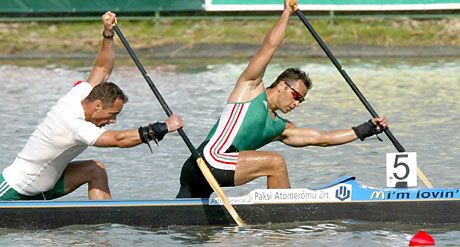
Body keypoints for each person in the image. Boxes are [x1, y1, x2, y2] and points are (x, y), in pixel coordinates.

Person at [176, 0, 388, 198]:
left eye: (301, 101)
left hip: (203, 169)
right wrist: (286, 12)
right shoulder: (250, 88)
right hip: (209, 159)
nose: (296, 104)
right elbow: (270, 46)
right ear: (281, 85)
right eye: (296, 96)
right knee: (275, 162)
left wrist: (367, 128)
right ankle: (283, 228)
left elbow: (322, 138)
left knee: (181, 225)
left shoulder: (279, 127)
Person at [0, 11, 183, 201]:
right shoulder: (75, 124)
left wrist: (108, 33)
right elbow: (119, 140)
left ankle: (103, 224)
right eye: (112, 114)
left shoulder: (81, 93)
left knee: (95, 169)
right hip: (14, 191)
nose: (113, 120)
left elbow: (102, 68)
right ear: (97, 105)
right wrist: (163, 127)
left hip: (47, 186)